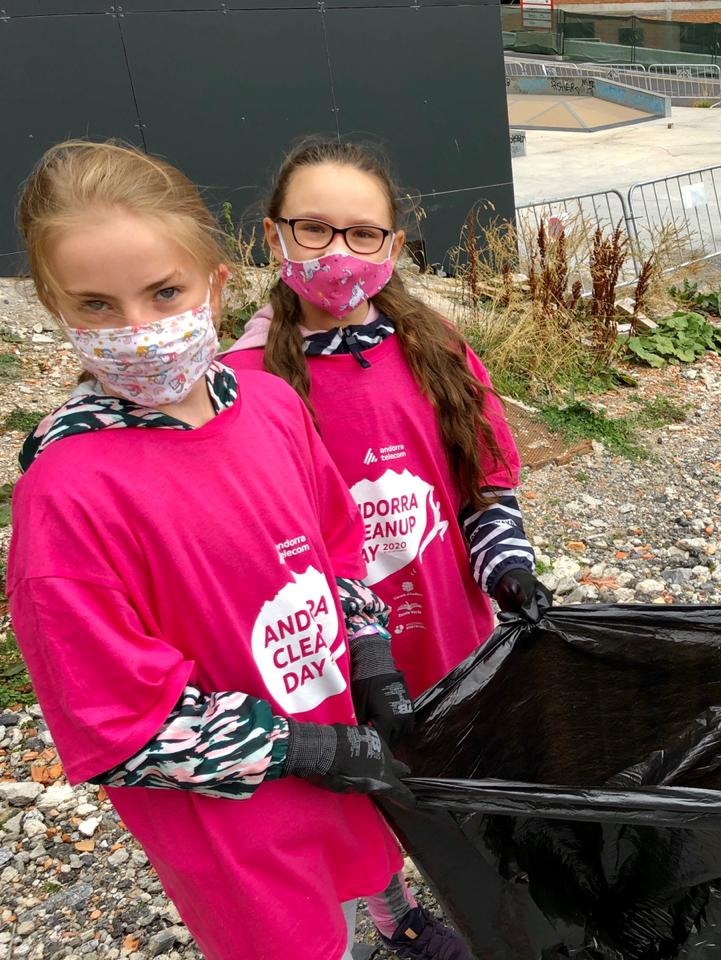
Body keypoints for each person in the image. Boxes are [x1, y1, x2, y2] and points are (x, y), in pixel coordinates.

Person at [8, 140, 416, 960]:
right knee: (292, 936)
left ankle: (397, 919)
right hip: (231, 810)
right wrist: (295, 747)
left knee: (367, 855)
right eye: (96, 305)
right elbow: (118, 724)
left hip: (329, 722)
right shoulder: (68, 495)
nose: (140, 331)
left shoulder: (271, 405)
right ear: (56, 309)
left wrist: (369, 650)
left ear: (215, 284)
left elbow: (335, 548)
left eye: (165, 292)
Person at [224, 141, 547, 705]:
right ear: (274, 237)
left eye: (363, 234)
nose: (339, 252)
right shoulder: (242, 384)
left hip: (455, 644)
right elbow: (259, 552)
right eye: (314, 229)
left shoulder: (438, 349)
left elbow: (484, 484)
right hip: (339, 677)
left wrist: (506, 566)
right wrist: (363, 648)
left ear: (394, 247)